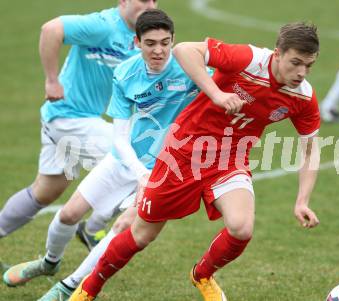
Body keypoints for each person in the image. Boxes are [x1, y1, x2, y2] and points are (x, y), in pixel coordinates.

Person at [69, 22, 321, 301]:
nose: (301, 72)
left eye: (308, 65)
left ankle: (202, 275)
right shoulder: (249, 59)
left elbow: (310, 149)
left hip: (229, 160)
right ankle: (88, 289)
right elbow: (184, 50)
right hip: (183, 152)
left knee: (242, 227)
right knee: (141, 235)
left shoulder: (303, 98)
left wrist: (302, 201)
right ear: (278, 53)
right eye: (295, 62)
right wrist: (217, 94)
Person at [3, 9, 202, 301]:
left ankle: (68, 287)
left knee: (124, 225)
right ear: (137, 43)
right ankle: (49, 262)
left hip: (163, 168)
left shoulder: (189, 69)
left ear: (173, 41)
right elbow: (120, 137)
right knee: (68, 213)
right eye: (150, 43)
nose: (158, 50)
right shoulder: (125, 73)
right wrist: (139, 173)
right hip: (126, 160)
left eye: (165, 42)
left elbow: (230, 73)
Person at [0, 0, 158, 243]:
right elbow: (51, 30)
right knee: (133, 163)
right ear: (123, 1)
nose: (150, 5)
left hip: (70, 119)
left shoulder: (144, 37)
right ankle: (93, 228)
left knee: (44, 192)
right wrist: (52, 81)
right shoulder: (103, 25)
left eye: (154, 0)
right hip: (69, 118)